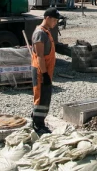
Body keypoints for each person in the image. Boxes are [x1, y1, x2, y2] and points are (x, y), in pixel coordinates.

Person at [29, 7, 59, 135]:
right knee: (41, 98)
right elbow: (40, 56)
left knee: (45, 97)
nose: (56, 23)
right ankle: (38, 124)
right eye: (55, 20)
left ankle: (38, 120)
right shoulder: (40, 33)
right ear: (47, 18)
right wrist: (45, 74)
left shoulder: (46, 31)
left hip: (46, 71)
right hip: (41, 71)